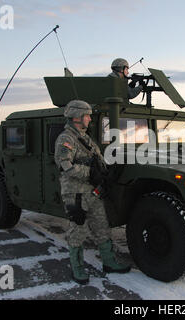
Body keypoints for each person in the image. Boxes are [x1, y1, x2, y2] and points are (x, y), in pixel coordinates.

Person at [54, 100, 131, 285]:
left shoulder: (86, 139)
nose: (89, 118)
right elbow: (66, 166)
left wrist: (107, 172)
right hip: (76, 193)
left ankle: (109, 262)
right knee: (78, 230)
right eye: (87, 115)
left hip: (93, 192)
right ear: (77, 117)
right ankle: (77, 268)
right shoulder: (66, 139)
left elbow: (97, 162)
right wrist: (90, 173)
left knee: (102, 227)